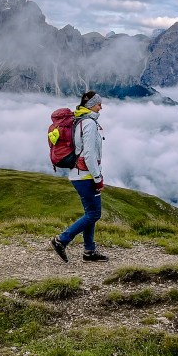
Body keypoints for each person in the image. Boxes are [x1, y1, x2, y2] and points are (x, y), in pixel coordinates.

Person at [51, 90, 108, 262]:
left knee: (90, 213)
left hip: (78, 174)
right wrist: (98, 178)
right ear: (91, 105)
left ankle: (89, 252)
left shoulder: (79, 120)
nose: (101, 107)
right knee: (94, 214)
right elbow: (89, 155)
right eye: (99, 104)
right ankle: (61, 240)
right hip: (85, 175)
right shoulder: (89, 123)